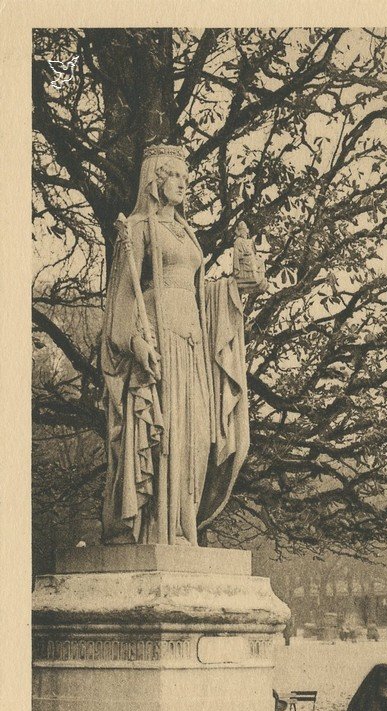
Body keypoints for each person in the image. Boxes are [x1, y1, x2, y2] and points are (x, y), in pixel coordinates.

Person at [101, 143, 249, 545]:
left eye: (187, 177)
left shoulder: (186, 232)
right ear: (156, 180)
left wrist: (233, 289)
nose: (185, 184)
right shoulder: (135, 229)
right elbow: (121, 299)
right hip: (159, 334)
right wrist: (135, 341)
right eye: (176, 177)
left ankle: (184, 526)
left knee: (199, 435)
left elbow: (200, 290)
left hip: (193, 339)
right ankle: (156, 531)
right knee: (166, 437)